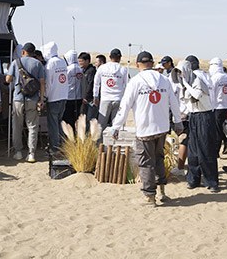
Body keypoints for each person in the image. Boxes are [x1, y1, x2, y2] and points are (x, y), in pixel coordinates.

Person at [111, 51, 183, 206]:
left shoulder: (135, 82)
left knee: (145, 162)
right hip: (162, 128)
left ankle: (149, 196)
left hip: (145, 129)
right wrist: (178, 122)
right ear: (152, 63)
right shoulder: (164, 80)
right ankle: (162, 192)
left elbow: (125, 106)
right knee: (158, 159)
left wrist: (116, 127)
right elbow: (174, 103)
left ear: (138, 65)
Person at [180, 55, 219, 192]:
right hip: (195, 116)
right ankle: (193, 179)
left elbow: (197, 95)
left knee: (206, 150)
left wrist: (185, 83)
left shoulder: (198, 78)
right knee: (193, 150)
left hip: (204, 116)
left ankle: (211, 182)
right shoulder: (201, 76)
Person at [6, 42, 46, 162]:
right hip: (33, 98)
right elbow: (42, 83)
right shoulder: (38, 64)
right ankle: (31, 153)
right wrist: (41, 98)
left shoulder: (16, 62)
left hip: (18, 98)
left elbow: (8, 79)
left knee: (17, 125)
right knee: (32, 126)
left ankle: (18, 152)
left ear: (23, 52)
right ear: (33, 53)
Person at [42, 42, 68, 155]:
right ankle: (62, 145)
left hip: (53, 97)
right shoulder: (62, 61)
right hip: (63, 96)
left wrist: (44, 96)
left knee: (53, 124)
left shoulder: (50, 64)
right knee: (59, 122)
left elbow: (48, 83)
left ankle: (55, 148)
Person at [93, 48, 129, 131]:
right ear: (120, 58)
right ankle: (114, 143)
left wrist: (95, 96)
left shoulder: (102, 68)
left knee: (101, 125)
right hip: (118, 99)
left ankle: (99, 143)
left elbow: (96, 83)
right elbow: (127, 85)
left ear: (110, 57)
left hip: (105, 99)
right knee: (116, 125)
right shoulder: (123, 69)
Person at [209, 57, 227, 155]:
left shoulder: (214, 78)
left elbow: (211, 94)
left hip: (217, 107)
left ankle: (217, 150)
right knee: (221, 128)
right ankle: (224, 144)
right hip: (226, 106)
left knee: (217, 130)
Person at [63, 50, 82, 131]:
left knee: (68, 118)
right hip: (79, 96)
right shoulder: (79, 69)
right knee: (76, 118)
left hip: (69, 97)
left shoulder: (68, 69)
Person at [78, 52, 97, 121]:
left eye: (81, 61)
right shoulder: (84, 70)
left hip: (89, 99)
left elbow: (90, 84)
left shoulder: (91, 71)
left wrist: (86, 97)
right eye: (79, 61)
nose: (79, 63)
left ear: (87, 61)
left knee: (90, 118)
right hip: (84, 99)